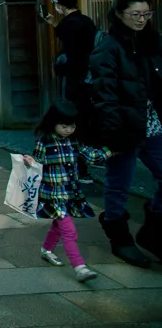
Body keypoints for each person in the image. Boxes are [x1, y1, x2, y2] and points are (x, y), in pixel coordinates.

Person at [89, 0, 162, 268]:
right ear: (119, 14)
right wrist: (112, 134)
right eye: (135, 14)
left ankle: (153, 231)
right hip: (122, 126)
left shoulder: (151, 42)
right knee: (120, 183)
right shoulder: (108, 47)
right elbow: (103, 95)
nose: (142, 19)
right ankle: (119, 238)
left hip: (152, 121)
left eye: (146, 14)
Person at [22, 100, 110, 283]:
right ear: (53, 123)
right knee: (69, 231)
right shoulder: (44, 143)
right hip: (53, 195)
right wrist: (30, 161)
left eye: (72, 126)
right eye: (64, 126)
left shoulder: (74, 142)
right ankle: (80, 267)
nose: (69, 130)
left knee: (58, 225)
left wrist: (112, 151)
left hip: (70, 193)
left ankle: (46, 250)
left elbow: (92, 156)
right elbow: (37, 164)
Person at [42, 0, 99, 184]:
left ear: (61, 3)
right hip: (88, 79)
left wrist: (60, 67)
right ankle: (85, 166)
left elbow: (71, 52)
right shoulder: (85, 21)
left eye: (56, 3)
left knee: (70, 124)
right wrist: (53, 24)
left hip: (73, 80)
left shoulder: (69, 24)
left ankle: (78, 169)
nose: (55, 6)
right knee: (83, 121)